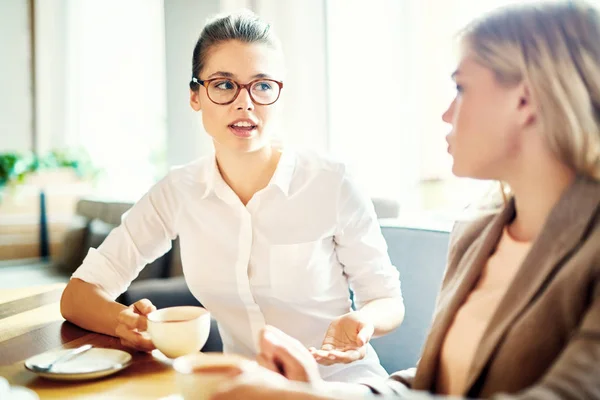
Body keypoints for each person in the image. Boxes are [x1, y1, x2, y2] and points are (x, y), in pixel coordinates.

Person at [210, 1, 600, 399]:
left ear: (525, 100)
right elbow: (435, 382)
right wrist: (318, 391)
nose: (447, 114)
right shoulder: (480, 229)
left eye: (461, 88)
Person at [59, 10, 405, 383]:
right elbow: (78, 296)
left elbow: (388, 301)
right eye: (224, 85)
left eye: (263, 85)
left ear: (279, 94)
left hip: (340, 384)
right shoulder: (178, 190)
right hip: (245, 387)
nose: (245, 103)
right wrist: (126, 322)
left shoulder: (331, 181)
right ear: (195, 95)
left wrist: (364, 320)